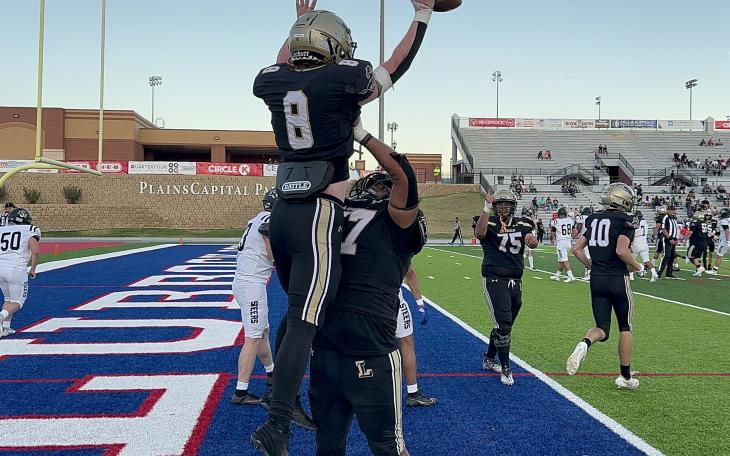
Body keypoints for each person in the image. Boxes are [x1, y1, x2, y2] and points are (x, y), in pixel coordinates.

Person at [251, 0, 436, 451]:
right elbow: (395, 67)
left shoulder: (272, 81)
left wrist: (298, 21)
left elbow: (287, 65)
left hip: (284, 209)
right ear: (335, 46)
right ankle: (278, 419)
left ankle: (286, 400)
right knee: (304, 319)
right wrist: (423, 17)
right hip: (318, 211)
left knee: (296, 314)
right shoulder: (342, 81)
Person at [309, 123, 425, 455]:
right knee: (387, 447)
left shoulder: (335, 212)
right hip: (365, 346)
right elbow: (402, 173)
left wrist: (346, 133)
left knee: (331, 446)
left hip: (326, 342)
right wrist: (358, 133)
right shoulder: (393, 220)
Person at [566, 183, 643, 389]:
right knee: (625, 327)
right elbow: (621, 250)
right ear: (623, 200)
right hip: (617, 278)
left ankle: (584, 344)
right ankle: (625, 377)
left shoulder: (593, 218)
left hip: (597, 278)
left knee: (602, 328)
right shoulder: (626, 220)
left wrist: (592, 266)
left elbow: (576, 249)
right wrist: (637, 266)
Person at [475, 190, 538, 386]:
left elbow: (533, 241)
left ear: (513, 206)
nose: (504, 207)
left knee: (505, 325)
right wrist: (486, 207)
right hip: (494, 279)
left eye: (507, 204)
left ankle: (489, 358)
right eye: (500, 204)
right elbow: (480, 233)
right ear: (495, 206)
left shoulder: (523, 223)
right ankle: (506, 368)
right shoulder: (490, 221)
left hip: (515, 280)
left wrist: (533, 241)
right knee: (504, 324)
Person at [231, 190, 277, 406]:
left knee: (263, 331)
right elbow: (271, 253)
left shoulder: (256, 217)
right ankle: (241, 392)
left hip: (243, 281)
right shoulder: (269, 220)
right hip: (252, 284)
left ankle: (271, 372)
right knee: (253, 337)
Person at [397, 265, 437, 407]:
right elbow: (409, 270)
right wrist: (420, 303)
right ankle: (413, 393)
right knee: (406, 342)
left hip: (357, 301)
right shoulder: (395, 242)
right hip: (391, 298)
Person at [0, 208, 40, 338]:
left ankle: (5, 328)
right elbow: (35, 251)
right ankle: (1, 317)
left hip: (1, 268)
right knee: (18, 302)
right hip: (16, 269)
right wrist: (33, 269)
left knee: (8, 299)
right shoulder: (29, 230)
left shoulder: (2, 230)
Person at [628, 211, 658, 282]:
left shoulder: (636, 223)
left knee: (631, 261)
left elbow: (632, 234)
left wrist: (630, 245)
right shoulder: (645, 223)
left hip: (636, 244)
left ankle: (631, 276)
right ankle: (654, 273)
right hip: (644, 244)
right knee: (647, 261)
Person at [550, 207, 576, 283]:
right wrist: (570, 238)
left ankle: (570, 276)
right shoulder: (570, 221)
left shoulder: (555, 222)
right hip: (568, 242)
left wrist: (551, 239)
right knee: (562, 259)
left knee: (564, 259)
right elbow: (575, 231)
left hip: (561, 242)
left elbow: (552, 233)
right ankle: (557, 275)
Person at [657, 206, 680, 278]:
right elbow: (663, 229)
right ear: (668, 210)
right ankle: (659, 273)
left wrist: (676, 239)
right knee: (666, 256)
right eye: (671, 210)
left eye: (673, 210)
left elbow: (676, 230)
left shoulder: (673, 218)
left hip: (673, 239)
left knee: (672, 256)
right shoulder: (665, 218)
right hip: (667, 240)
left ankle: (669, 273)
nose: (673, 211)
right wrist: (669, 238)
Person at [685, 212, 710, 277]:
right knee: (697, 257)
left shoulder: (695, 223)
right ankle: (699, 271)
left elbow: (690, 232)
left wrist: (685, 239)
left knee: (690, 256)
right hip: (703, 242)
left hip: (695, 242)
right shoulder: (704, 223)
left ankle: (699, 267)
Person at [574, 207, 592, 279]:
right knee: (589, 255)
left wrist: (575, 234)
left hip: (585, 238)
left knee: (587, 256)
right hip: (593, 237)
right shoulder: (592, 217)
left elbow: (579, 228)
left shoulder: (581, 217)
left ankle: (589, 273)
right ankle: (588, 273)